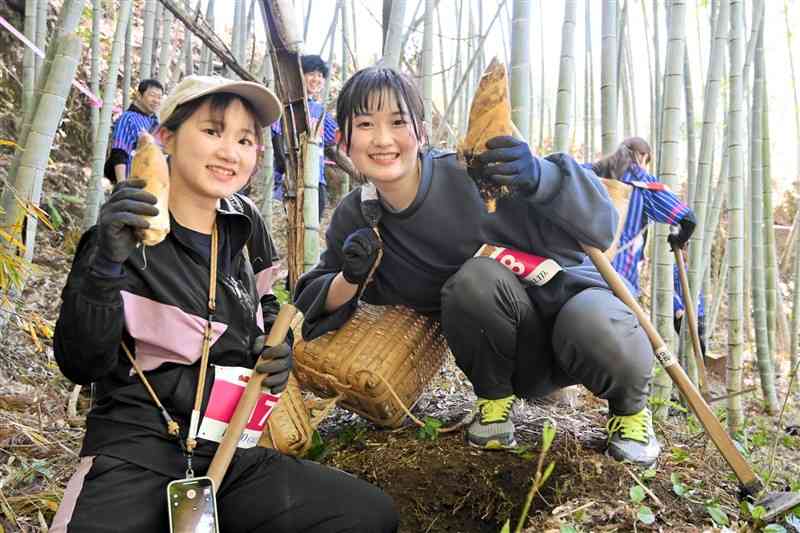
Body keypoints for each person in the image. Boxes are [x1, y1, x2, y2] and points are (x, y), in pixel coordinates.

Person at [51, 75, 398, 532]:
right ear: (166, 137)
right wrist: (103, 268)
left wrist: (275, 353)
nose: (230, 152)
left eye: (245, 139)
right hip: (138, 454)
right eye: (212, 131)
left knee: (365, 516)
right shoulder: (119, 237)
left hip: (230, 454)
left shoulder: (244, 227)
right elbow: (81, 362)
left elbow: (265, 306)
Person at [294, 66, 662, 466]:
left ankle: (629, 412)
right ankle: (494, 403)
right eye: (365, 124)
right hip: (514, 357)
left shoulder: (475, 171)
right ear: (345, 141)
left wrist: (540, 175)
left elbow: (603, 223)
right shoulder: (360, 216)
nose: (382, 139)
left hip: (578, 310)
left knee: (594, 323)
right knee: (475, 279)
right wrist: (352, 276)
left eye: (397, 122)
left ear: (420, 132)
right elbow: (313, 299)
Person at [588, 136, 697, 296]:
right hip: (619, 275)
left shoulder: (591, 172)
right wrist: (678, 239)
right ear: (643, 156)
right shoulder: (643, 184)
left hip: (582, 268)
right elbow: (688, 219)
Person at [272, 54, 339, 220]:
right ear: (299, 76)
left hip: (317, 182)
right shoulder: (285, 106)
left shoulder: (321, 112)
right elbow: (277, 141)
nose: (316, 79)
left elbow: (333, 143)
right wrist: (287, 171)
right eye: (311, 73)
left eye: (320, 75)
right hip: (290, 180)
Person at [104, 79, 164, 184]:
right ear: (139, 96)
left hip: (151, 184)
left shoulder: (155, 122)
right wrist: (121, 185)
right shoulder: (128, 118)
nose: (156, 100)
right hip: (131, 184)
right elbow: (119, 152)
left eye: (159, 97)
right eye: (152, 95)